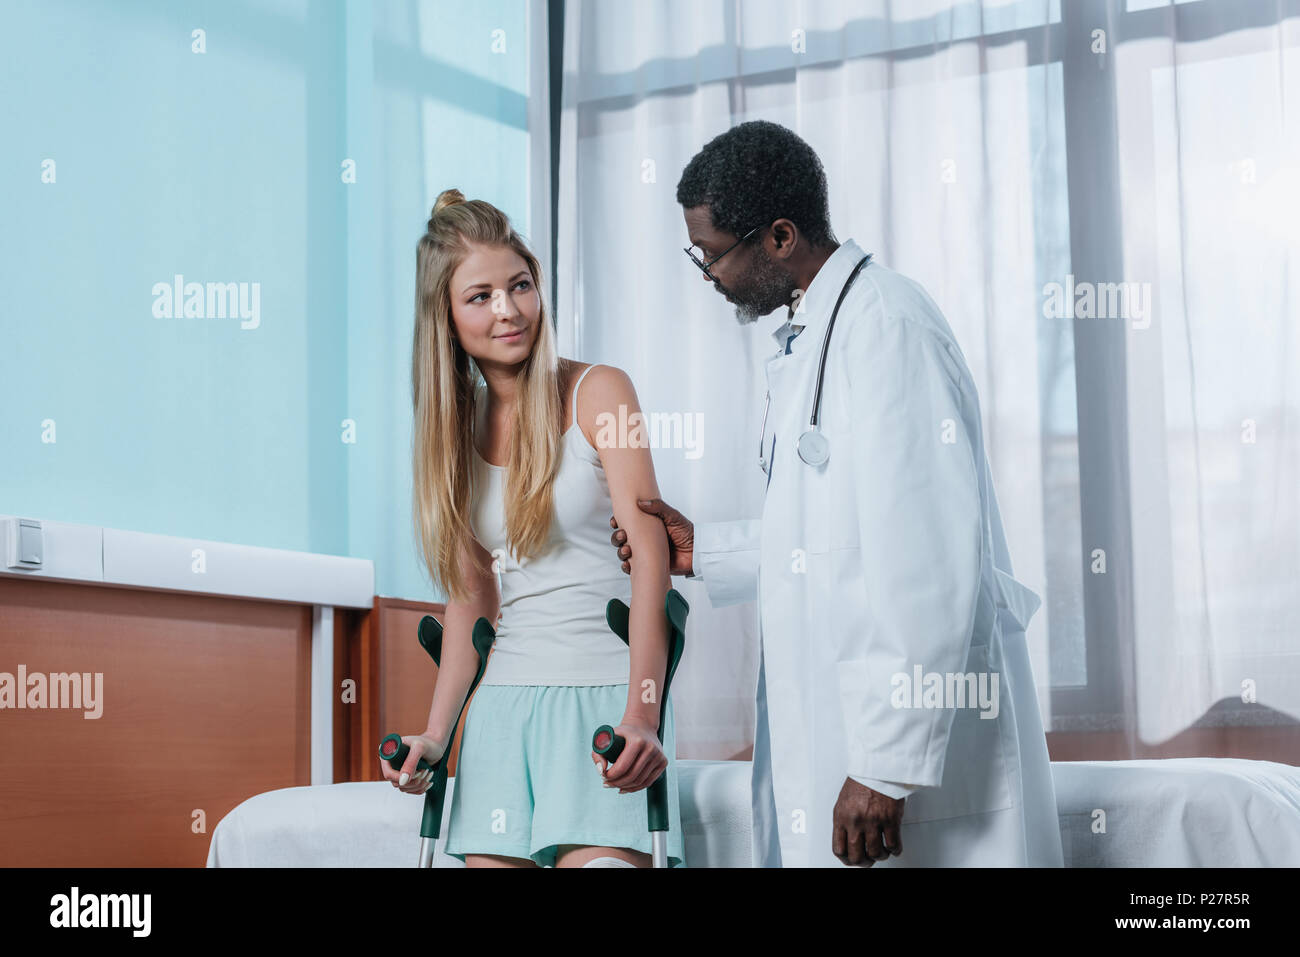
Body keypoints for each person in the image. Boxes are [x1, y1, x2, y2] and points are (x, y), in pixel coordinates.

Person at [610, 120, 1063, 867]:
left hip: (904, 762)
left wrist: (887, 761)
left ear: (781, 236)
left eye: (714, 254)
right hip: (857, 736)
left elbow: (928, 557)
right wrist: (706, 550)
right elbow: (833, 541)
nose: (709, 276)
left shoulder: (885, 327)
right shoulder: (819, 336)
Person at [379, 188, 685, 868]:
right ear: (446, 317)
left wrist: (642, 712)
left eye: (519, 285)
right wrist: (435, 733)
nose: (509, 310)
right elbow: (471, 603)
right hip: (500, 715)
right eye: (481, 296)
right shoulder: (452, 435)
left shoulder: (602, 392)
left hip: (603, 702)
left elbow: (652, 566)